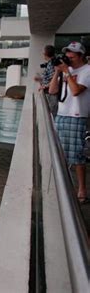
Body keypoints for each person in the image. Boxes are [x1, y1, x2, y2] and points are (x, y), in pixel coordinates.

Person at [49, 42, 90, 204]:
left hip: (77, 116)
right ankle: (64, 185)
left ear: (80, 56)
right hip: (62, 114)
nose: (69, 58)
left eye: (72, 55)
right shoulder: (67, 71)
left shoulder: (87, 71)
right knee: (61, 153)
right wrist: (57, 72)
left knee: (77, 154)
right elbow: (52, 91)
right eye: (68, 55)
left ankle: (82, 190)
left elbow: (76, 91)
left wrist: (66, 72)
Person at [34, 45, 57, 115]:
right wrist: (41, 79)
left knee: (51, 113)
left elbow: (55, 78)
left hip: (51, 92)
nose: (42, 53)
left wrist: (45, 86)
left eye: (43, 52)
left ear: (45, 53)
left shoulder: (52, 63)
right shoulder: (50, 63)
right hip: (49, 91)